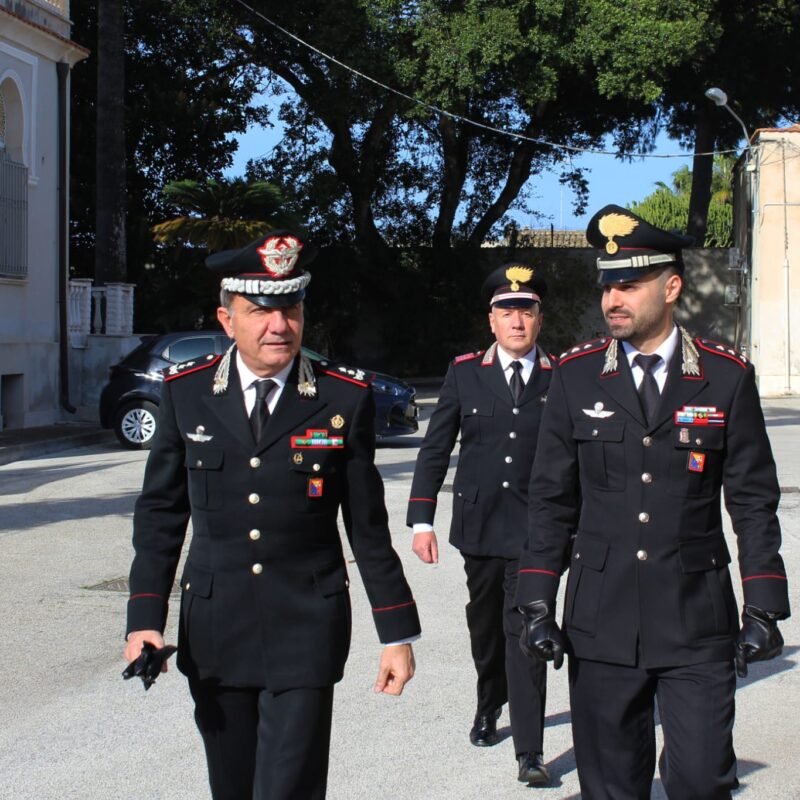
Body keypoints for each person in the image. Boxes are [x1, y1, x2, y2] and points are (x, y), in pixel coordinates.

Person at [123, 230, 421, 800]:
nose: (278, 325)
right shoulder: (187, 393)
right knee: (231, 787)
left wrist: (397, 632)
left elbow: (367, 528)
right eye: (260, 311)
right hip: (217, 632)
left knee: (289, 789)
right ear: (227, 319)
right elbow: (160, 514)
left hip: (306, 629)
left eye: (290, 309)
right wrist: (143, 619)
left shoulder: (342, 398)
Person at [516, 205, 790, 799]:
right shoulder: (576, 376)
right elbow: (551, 498)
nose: (613, 299)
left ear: (671, 288)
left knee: (701, 779)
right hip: (601, 620)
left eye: (629, 286)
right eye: (607, 286)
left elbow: (752, 499)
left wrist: (764, 605)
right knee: (610, 785)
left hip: (695, 618)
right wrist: (536, 598)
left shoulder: (724, 377)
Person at [407, 263, 554, 787]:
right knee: (486, 628)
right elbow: (435, 448)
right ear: (491, 320)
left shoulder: (561, 376)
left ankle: (530, 750)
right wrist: (421, 519)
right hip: (481, 525)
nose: (517, 320)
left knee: (527, 628)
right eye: (506, 311)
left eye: (526, 310)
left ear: (539, 318)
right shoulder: (465, 372)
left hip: (536, 532)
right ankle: (490, 701)